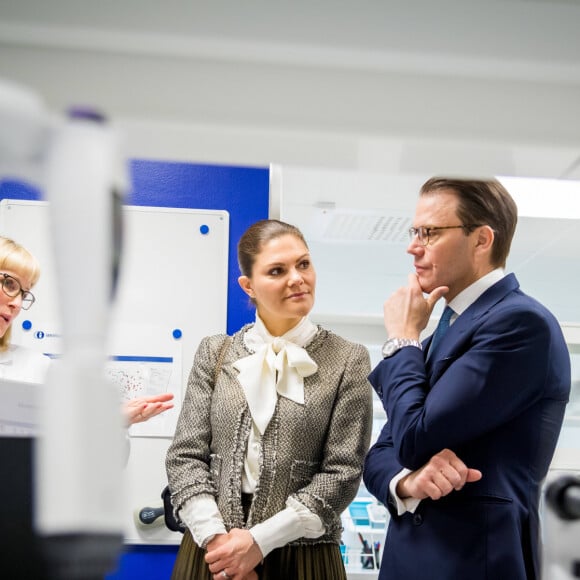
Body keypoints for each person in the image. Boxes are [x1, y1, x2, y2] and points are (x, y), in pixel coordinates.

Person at [363, 177, 571, 579]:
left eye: (430, 232)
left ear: (481, 240)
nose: (413, 245)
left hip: (476, 564)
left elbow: (411, 437)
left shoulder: (520, 324)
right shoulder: (448, 328)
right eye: (414, 232)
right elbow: (381, 454)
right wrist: (408, 483)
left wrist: (402, 340)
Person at [166, 219, 373, 580]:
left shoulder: (348, 359)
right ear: (249, 286)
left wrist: (259, 542)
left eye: (304, 264)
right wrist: (222, 547)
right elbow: (185, 456)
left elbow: (343, 472)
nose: (297, 278)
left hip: (303, 556)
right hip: (211, 553)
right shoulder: (216, 352)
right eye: (277, 270)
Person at [0, 235, 173, 424]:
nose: (17, 303)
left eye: (24, 294)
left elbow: (68, 436)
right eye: (9, 284)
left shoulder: (35, 368)